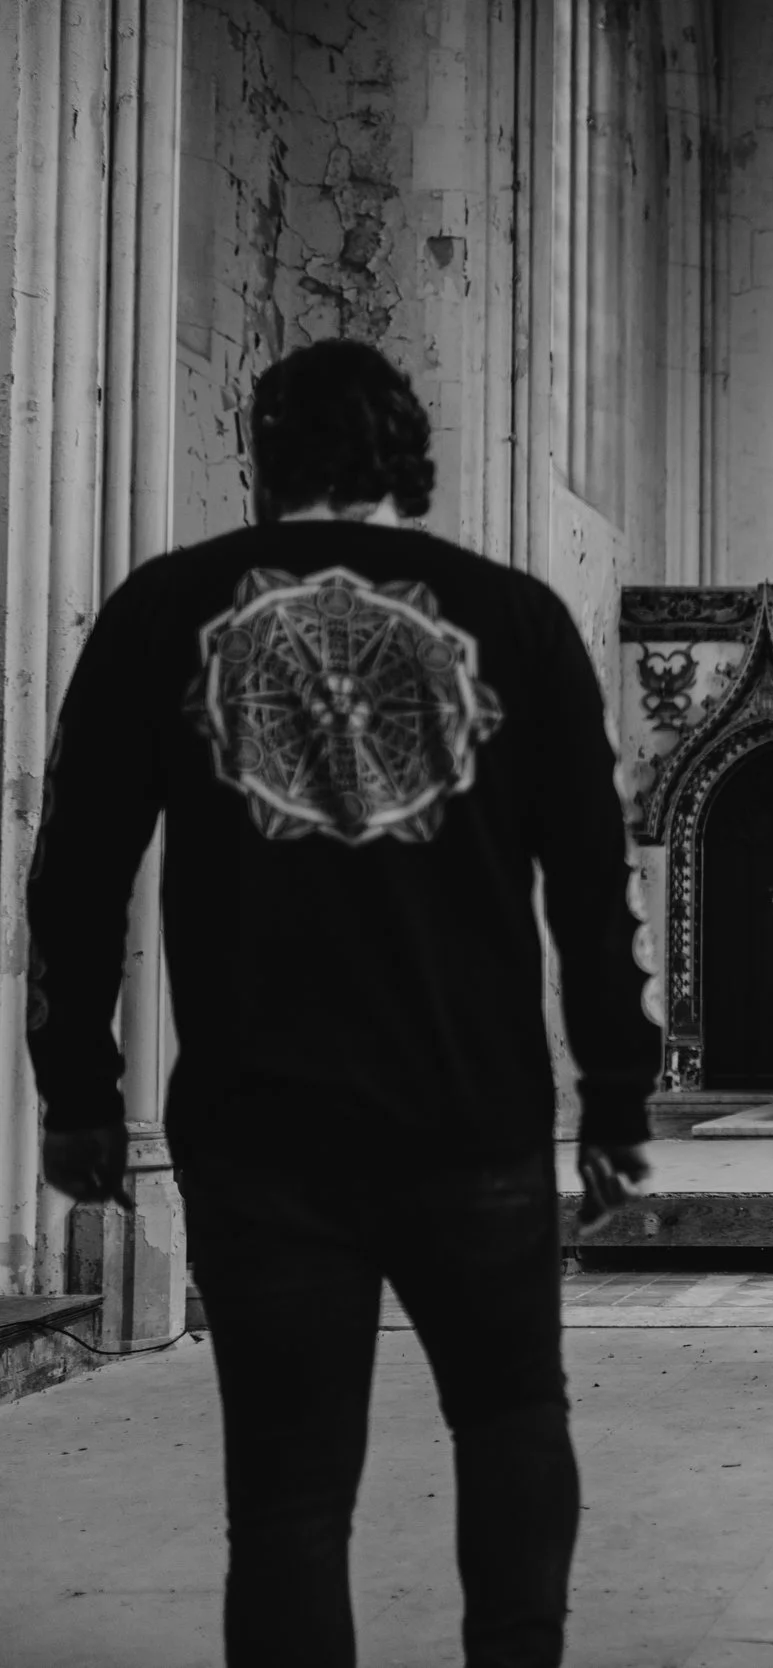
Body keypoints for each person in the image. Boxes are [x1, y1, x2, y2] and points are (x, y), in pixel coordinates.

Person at [26, 338, 660, 1668]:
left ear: (261, 458)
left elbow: (77, 873)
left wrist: (78, 1093)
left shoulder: (164, 610)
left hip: (260, 1131)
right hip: (470, 1119)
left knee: (289, 1499)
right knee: (510, 1423)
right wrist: (615, 1092)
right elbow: (592, 882)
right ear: (406, 462)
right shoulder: (514, 618)